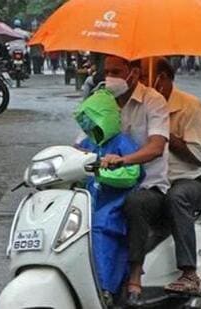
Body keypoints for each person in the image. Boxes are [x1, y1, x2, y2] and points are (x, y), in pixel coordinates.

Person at [99, 55, 170, 303]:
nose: (110, 78)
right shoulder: (100, 101)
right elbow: (82, 142)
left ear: (134, 73)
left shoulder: (154, 101)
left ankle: (135, 275)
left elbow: (156, 147)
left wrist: (123, 160)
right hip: (108, 184)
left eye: (116, 71)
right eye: (107, 71)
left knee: (135, 203)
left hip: (149, 186)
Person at [148, 58, 201, 294]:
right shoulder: (139, 106)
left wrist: (162, 131)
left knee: (177, 198)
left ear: (163, 79)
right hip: (154, 179)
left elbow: (197, 156)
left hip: (193, 179)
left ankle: (189, 273)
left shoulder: (190, 107)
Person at [75, 89, 143, 305]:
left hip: (114, 205)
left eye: (94, 120)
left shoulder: (123, 143)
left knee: (99, 228)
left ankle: (104, 287)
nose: (90, 126)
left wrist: (102, 171)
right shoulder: (88, 143)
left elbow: (132, 174)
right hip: (88, 201)